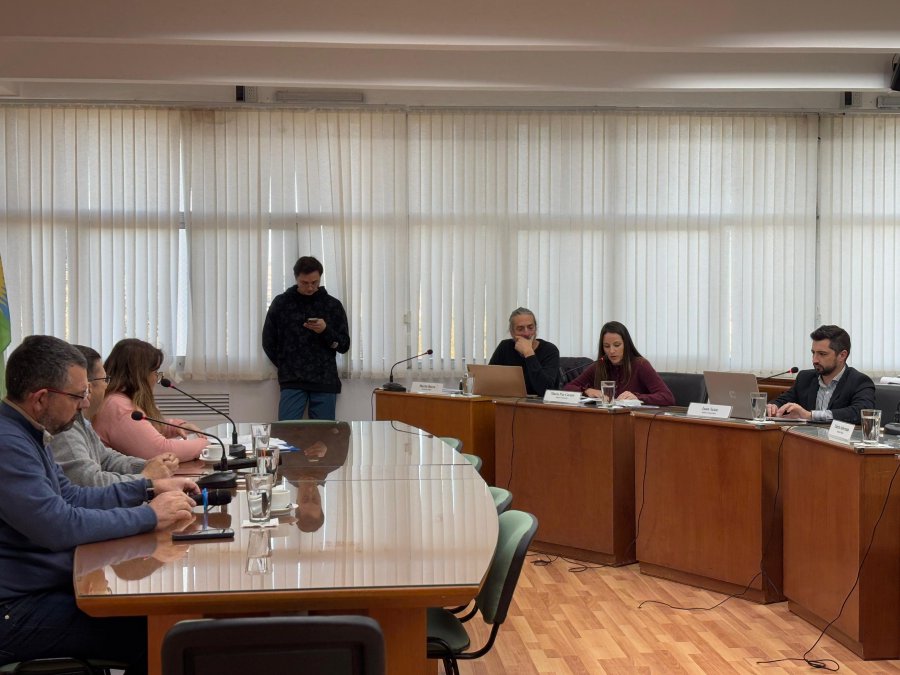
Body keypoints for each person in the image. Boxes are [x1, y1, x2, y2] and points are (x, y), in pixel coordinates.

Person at [0, 335, 198, 672]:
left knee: (158, 625)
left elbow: (75, 496)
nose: (84, 404)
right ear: (41, 399)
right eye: (77, 395)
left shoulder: (29, 431)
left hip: (42, 589)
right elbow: (59, 525)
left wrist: (149, 487)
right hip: (15, 611)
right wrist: (148, 517)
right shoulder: (8, 443)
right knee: (161, 636)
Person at [50, 345, 179, 486]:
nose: (107, 386)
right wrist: (145, 477)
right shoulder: (65, 427)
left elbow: (106, 459)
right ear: (88, 387)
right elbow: (91, 483)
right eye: (105, 380)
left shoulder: (79, 418)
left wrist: (146, 465)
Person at [262, 256, 351, 421]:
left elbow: (344, 345)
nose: (310, 287)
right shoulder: (281, 303)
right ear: (296, 278)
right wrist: (286, 364)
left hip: (324, 379)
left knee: (324, 438)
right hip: (292, 380)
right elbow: (268, 341)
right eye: (305, 283)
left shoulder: (332, 305)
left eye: (315, 282)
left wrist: (326, 330)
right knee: (287, 435)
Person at [92, 339, 207, 462]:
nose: (156, 378)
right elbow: (160, 451)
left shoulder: (117, 398)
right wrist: (206, 445)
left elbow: (143, 430)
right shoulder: (117, 406)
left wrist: (176, 426)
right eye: (155, 372)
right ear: (140, 374)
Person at [767, 325, 875, 423]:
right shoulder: (805, 378)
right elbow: (783, 400)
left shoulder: (859, 381)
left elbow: (860, 412)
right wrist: (774, 406)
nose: (815, 360)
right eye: (813, 353)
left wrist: (811, 415)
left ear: (842, 355)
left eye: (822, 354)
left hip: (838, 443)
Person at [563, 321, 675, 406]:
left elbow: (667, 397)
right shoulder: (599, 365)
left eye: (617, 345)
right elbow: (568, 388)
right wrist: (587, 391)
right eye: (607, 346)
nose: (611, 351)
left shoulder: (640, 365)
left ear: (626, 344)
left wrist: (637, 397)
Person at [488, 307, 560, 396]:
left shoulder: (550, 350)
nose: (526, 333)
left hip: (540, 405)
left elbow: (546, 390)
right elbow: (489, 380)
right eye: (520, 329)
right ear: (512, 332)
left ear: (536, 328)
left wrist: (529, 353)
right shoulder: (504, 347)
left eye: (530, 327)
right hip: (509, 401)